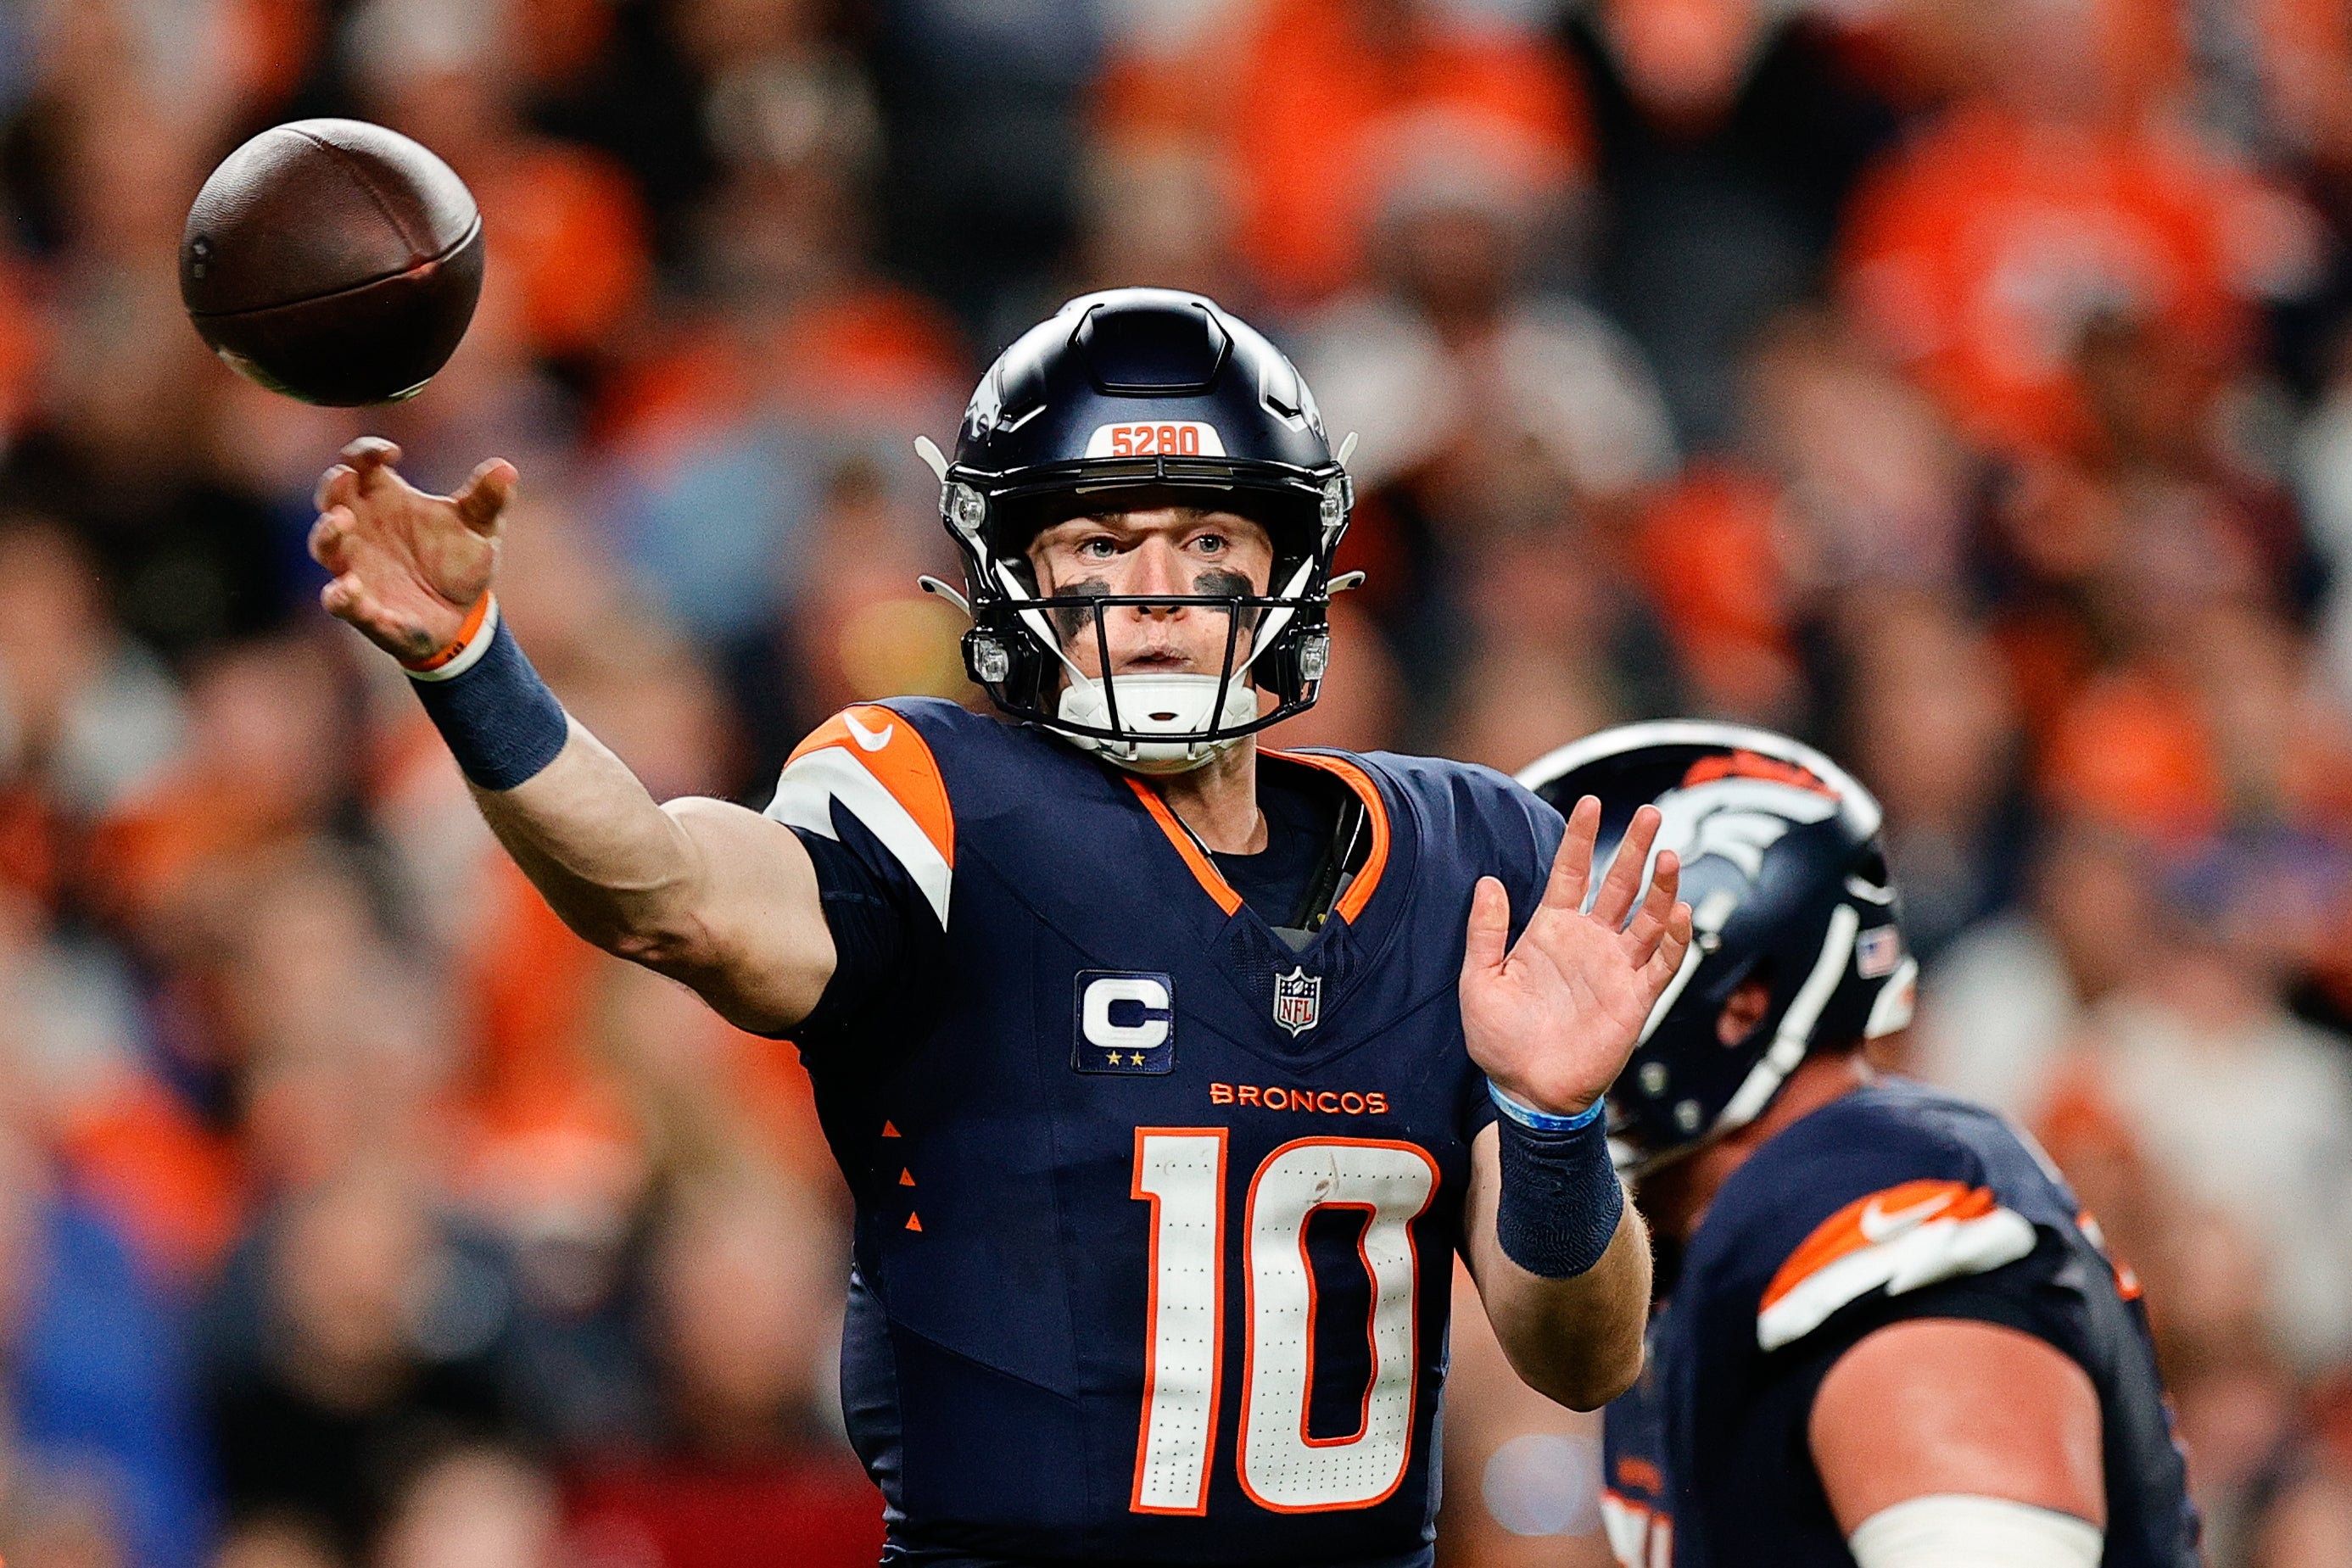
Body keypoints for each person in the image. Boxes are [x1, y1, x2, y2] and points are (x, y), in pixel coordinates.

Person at [302, 287, 1692, 1567]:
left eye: (1205, 538)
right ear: (1008, 577)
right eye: (1097, 542)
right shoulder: (945, 804)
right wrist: (473, 663)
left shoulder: (1474, 854)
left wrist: (1559, 1130)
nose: (1155, 594)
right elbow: (664, 890)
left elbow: (1578, 1352)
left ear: (1290, 567)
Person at [1517, 722, 2198, 1568]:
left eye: (1559, 972)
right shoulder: (1708, 1244)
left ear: (1740, 1000)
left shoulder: (1873, 1219)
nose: (1509, 1025)